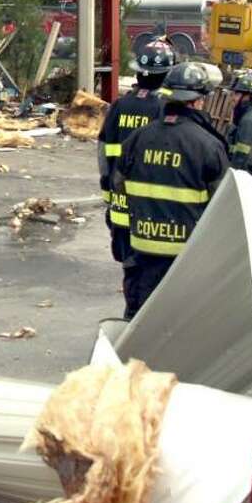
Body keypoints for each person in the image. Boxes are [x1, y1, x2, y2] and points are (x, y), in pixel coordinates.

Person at [115, 61, 228, 318]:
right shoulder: (209, 145)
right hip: (185, 258)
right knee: (179, 327)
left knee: (137, 327)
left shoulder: (138, 138)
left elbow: (118, 183)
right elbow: (222, 202)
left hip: (141, 251)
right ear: (198, 101)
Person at [97, 39, 177, 319]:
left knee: (130, 265)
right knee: (153, 270)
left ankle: (132, 315)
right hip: (148, 208)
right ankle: (145, 321)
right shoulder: (163, 109)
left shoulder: (120, 106)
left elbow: (103, 151)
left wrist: (108, 195)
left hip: (119, 206)